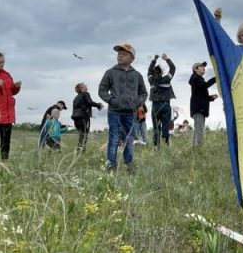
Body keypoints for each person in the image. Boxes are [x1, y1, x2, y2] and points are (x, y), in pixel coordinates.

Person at [97, 43, 148, 171]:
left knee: (129, 139)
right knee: (114, 139)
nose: (120, 56)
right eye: (119, 54)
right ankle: (111, 166)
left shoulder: (137, 75)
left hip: (131, 113)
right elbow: (102, 90)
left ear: (132, 58)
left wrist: (137, 103)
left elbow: (144, 93)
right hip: (114, 112)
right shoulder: (110, 72)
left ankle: (129, 164)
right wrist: (112, 101)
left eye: (124, 54)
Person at [148, 54, 177, 149]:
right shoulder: (166, 79)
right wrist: (167, 59)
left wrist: (154, 60)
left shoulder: (151, 80)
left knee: (156, 128)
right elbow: (173, 68)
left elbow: (149, 71)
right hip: (165, 106)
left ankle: (156, 147)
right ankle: (166, 144)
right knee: (165, 127)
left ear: (153, 73)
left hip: (155, 107)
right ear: (162, 72)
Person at [188, 61, 218, 147]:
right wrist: (217, 78)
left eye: (204, 66)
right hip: (198, 109)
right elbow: (205, 85)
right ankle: (199, 150)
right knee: (199, 130)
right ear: (195, 69)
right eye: (201, 66)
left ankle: (194, 150)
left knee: (198, 130)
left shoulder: (198, 80)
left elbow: (201, 95)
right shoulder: (196, 78)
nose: (203, 67)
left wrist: (211, 98)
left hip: (199, 108)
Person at [71, 83, 104, 151]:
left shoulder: (76, 98)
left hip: (76, 118)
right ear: (81, 88)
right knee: (85, 134)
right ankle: (82, 151)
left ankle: (79, 150)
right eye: (84, 85)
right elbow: (89, 102)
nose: (86, 86)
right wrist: (98, 105)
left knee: (81, 135)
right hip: (83, 117)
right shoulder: (85, 94)